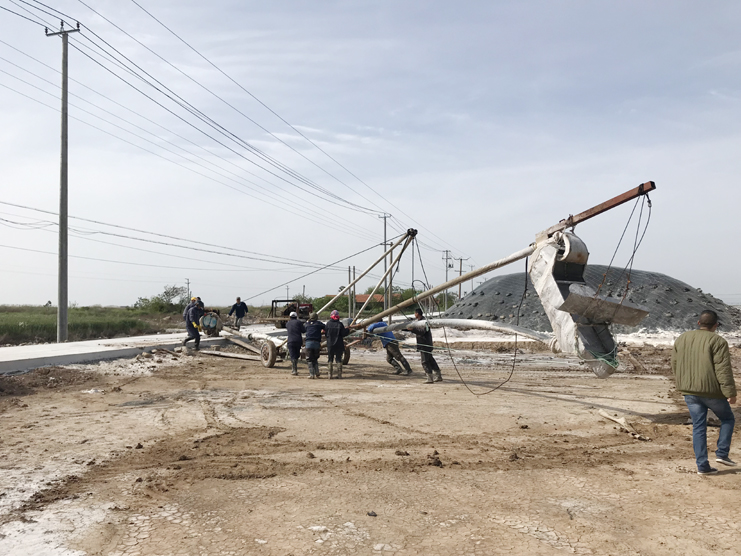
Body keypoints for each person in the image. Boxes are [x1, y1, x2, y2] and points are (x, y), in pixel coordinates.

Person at [671, 309, 736, 475]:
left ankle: (702, 466)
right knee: (728, 419)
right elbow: (723, 370)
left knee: (698, 427)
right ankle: (722, 453)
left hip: (689, 391)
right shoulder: (718, 341)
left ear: (699, 323)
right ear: (716, 325)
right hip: (711, 392)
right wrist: (730, 392)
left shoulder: (682, 338)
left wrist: (682, 383)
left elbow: (675, 364)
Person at [408, 308, 442, 384]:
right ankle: (438, 375)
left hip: (425, 344)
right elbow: (415, 329)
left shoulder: (424, 322)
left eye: (415, 313)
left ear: (417, 313)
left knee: (425, 361)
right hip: (425, 344)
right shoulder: (419, 322)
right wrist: (405, 328)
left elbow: (422, 332)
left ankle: (430, 378)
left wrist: (412, 330)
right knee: (430, 360)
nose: (414, 314)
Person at [326, 310, 350, 379]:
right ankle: (339, 375)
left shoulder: (328, 324)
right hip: (339, 343)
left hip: (330, 344)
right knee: (339, 359)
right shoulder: (340, 324)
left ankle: (330, 375)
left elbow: (326, 333)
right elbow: (343, 334)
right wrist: (347, 330)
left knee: (330, 358)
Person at [304, 312, 326, 379]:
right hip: (316, 343)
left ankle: (311, 374)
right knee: (315, 358)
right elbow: (325, 327)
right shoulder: (319, 324)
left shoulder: (307, 324)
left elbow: (304, 329)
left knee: (309, 359)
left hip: (309, 343)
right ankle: (317, 372)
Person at [285, 311, 306, 376]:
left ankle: (294, 370)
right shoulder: (299, 322)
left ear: (290, 317)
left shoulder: (287, 323)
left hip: (290, 341)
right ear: (296, 316)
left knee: (292, 355)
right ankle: (295, 368)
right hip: (298, 341)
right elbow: (304, 331)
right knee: (296, 355)